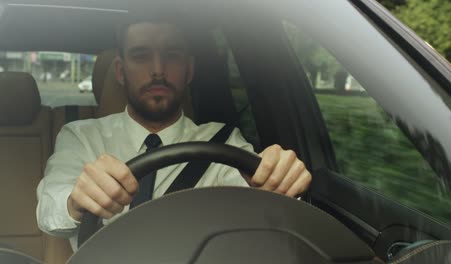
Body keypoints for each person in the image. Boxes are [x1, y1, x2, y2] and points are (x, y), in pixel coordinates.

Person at [36, 21, 312, 250]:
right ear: (120, 72)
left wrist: (279, 182)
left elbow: (259, 205)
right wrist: (75, 200)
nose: (158, 69)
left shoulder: (224, 141)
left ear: (189, 70)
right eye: (141, 55)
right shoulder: (82, 136)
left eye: (172, 55)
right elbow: (50, 210)